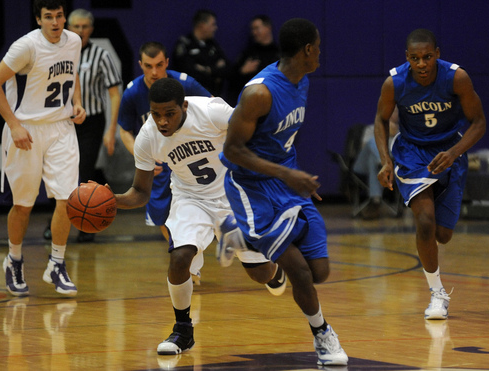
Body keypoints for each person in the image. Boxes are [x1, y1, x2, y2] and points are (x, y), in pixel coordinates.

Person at [114, 77, 286, 355]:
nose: (162, 122)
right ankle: (182, 330)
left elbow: (255, 131)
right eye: (156, 114)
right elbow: (140, 191)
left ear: (183, 106)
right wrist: (113, 201)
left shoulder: (211, 111)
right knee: (180, 257)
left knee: (259, 273)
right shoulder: (147, 137)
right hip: (190, 198)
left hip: (232, 193)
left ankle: (274, 271)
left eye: (169, 114)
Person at [218, 18, 348, 366]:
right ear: (307, 50)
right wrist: (288, 175)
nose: (320, 53)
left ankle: (242, 238)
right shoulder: (260, 92)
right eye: (318, 47)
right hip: (251, 187)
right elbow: (232, 150)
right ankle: (323, 335)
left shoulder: (302, 81)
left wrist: (297, 179)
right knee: (300, 273)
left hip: (286, 185)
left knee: (318, 271)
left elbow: (282, 140)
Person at [374, 28, 486, 320]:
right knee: (424, 221)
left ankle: (434, 212)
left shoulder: (456, 78)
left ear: (437, 54)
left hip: (450, 150)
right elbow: (381, 119)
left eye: (427, 57)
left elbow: (479, 123)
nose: (421, 64)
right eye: (415, 58)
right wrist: (386, 160)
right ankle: (437, 295)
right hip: (411, 153)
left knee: (443, 235)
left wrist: (454, 153)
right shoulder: (395, 82)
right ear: (407, 58)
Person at [0, 0, 86, 297]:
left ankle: (57, 263)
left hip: (61, 128)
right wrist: (14, 125)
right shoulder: (26, 47)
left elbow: (73, 74)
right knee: (23, 205)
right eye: (49, 17)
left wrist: (76, 102)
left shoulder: (73, 40)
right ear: (38, 19)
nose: (56, 22)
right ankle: (14, 259)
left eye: (59, 16)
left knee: (68, 199)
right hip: (27, 130)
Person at [118, 41, 211, 243]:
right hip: (160, 160)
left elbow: (212, 108)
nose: (154, 71)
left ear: (167, 62)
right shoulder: (133, 92)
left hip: (190, 156)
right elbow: (125, 130)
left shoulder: (186, 84)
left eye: (159, 65)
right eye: (149, 66)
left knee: (203, 210)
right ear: (140, 65)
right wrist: (140, 155)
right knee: (161, 216)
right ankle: (178, 251)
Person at [64, 8, 123, 242]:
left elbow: (115, 94)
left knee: (84, 170)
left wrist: (111, 130)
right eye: (76, 26)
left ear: (92, 28)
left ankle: (85, 225)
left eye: (85, 26)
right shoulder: (60, 54)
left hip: (91, 121)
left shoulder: (100, 55)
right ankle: (59, 221)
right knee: (62, 174)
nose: (80, 31)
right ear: (69, 28)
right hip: (64, 122)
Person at [352, 107, 399, 219]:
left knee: (374, 162)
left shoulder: (401, 133)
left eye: (395, 112)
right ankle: (383, 162)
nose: (392, 114)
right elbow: (364, 148)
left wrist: (394, 136)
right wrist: (383, 133)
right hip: (362, 166)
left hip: (386, 167)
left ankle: (375, 200)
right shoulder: (370, 129)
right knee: (374, 141)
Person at [172, 9, 229, 97]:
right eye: (213, 24)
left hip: (213, 96)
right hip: (190, 96)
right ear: (202, 25)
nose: (215, 28)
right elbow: (188, 72)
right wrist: (214, 72)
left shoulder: (212, 44)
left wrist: (206, 69)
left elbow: (226, 68)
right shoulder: (185, 44)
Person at [228, 15, 280, 104]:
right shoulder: (248, 54)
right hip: (249, 103)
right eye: (252, 29)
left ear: (268, 28)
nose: (254, 32)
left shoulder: (279, 54)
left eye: (257, 28)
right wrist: (242, 72)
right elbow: (232, 79)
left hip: (273, 103)